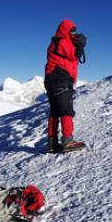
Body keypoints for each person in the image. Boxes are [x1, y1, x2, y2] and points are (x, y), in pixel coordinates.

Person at [44, 19, 86, 153]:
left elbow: (68, 56)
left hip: (51, 79)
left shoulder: (56, 42)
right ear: (65, 30)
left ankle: (52, 144)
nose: (74, 32)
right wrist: (81, 45)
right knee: (66, 110)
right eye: (72, 30)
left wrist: (76, 43)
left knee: (55, 112)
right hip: (61, 78)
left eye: (75, 30)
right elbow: (74, 56)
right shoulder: (62, 41)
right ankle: (67, 141)